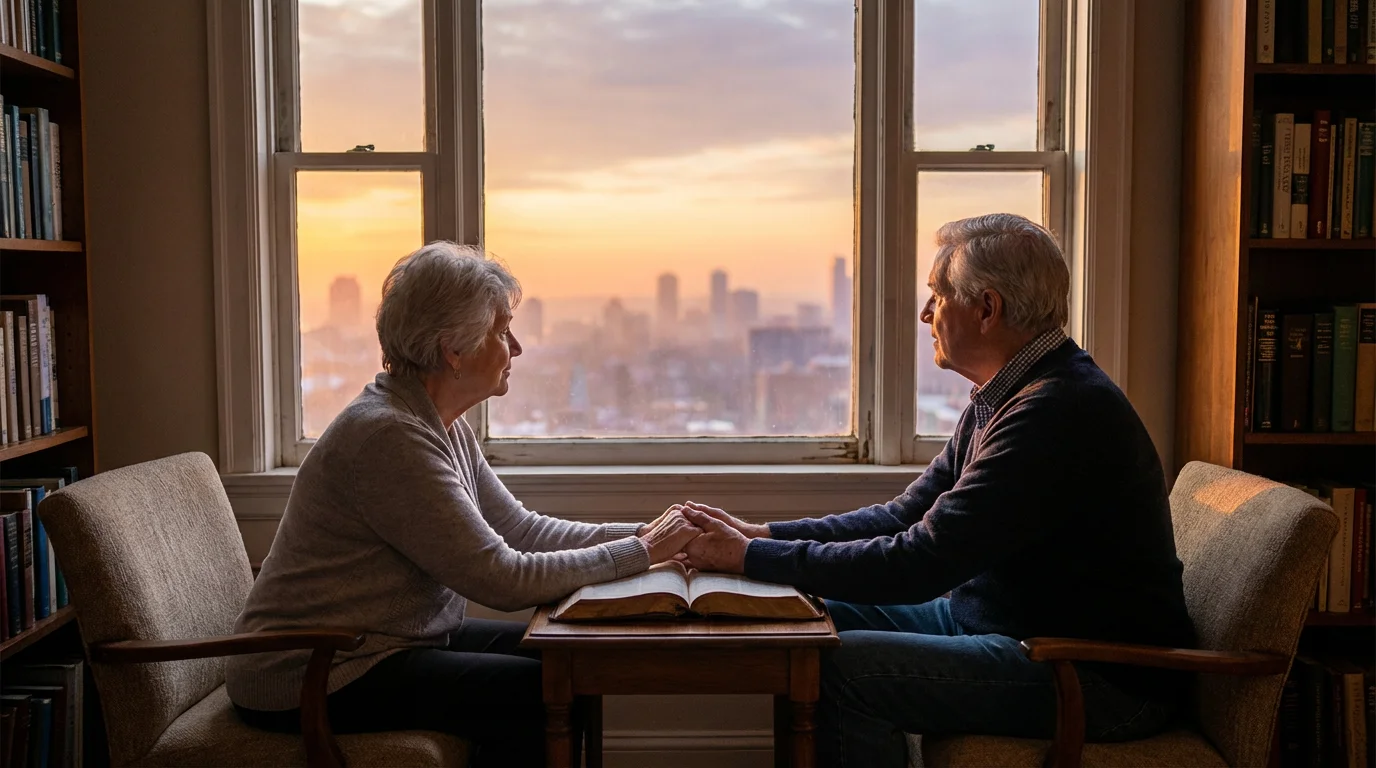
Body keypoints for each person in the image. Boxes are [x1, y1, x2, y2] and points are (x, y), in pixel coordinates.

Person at [679, 213, 1196, 768]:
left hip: (1092, 675)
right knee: (808, 616)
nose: (925, 313)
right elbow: (904, 515)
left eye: (937, 295)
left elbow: (922, 560)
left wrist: (754, 557)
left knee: (841, 668)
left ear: (986, 308)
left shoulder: (1056, 411)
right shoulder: (1005, 395)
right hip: (1002, 628)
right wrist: (763, 535)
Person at [226, 242, 701, 767]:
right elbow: (502, 579)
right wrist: (643, 550)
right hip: (317, 670)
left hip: (385, 644)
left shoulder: (437, 421)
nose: (516, 347)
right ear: (454, 349)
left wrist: (652, 533)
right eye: (501, 331)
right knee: (537, 690)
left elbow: (522, 531)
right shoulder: (388, 437)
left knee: (573, 661)